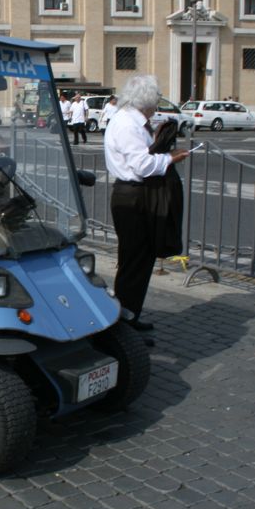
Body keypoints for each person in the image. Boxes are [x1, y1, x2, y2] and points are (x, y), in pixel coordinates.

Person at [103, 74, 189, 331]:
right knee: (134, 260)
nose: (157, 107)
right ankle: (124, 322)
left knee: (138, 259)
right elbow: (142, 165)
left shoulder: (130, 120)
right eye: (156, 101)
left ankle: (130, 315)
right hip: (133, 195)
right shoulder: (128, 124)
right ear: (147, 101)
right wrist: (171, 158)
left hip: (134, 193)